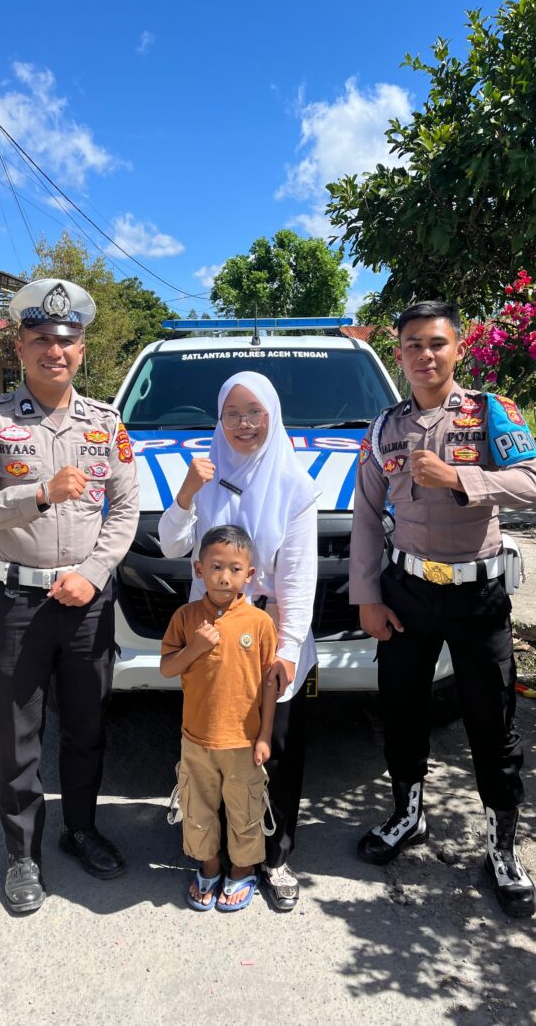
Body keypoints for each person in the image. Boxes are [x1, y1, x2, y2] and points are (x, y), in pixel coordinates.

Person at [349, 300, 536, 918]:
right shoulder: (383, 429)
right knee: (402, 709)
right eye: (413, 344)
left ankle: (502, 847)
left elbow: (534, 484)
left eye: (436, 343)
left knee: (492, 720)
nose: (425, 355)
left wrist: (461, 478)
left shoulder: (491, 412)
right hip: (407, 592)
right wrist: (367, 596)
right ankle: (407, 817)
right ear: (399, 353)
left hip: (476, 595)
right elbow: (365, 517)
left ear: (458, 348)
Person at [0, 278, 139, 914]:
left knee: (87, 726)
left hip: (85, 601)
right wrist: (39, 494)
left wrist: (94, 571)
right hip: (15, 603)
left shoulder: (106, 424)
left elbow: (125, 508)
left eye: (65, 340)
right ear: (20, 347)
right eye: (40, 339)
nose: (53, 351)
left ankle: (80, 830)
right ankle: (22, 855)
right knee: (16, 734)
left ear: (81, 349)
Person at [158, 371, 318, 911]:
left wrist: (288, 650)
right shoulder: (205, 472)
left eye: (255, 413)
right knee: (214, 743)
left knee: (274, 748)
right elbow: (172, 545)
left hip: (268, 631)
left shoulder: (294, 485)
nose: (244, 424)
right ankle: (216, 853)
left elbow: (298, 577)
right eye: (233, 413)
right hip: (209, 638)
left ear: (273, 416)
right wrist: (186, 495)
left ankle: (274, 856)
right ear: (219, 419)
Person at [161, 525, 278, 911]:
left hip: (243, 742)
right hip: (196, 739)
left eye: (234, 568)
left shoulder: (259, 623)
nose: (224, 577)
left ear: (250, 574)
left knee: (245, 810)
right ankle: (209, 866)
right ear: (199, 570)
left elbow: (269, 685)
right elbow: (167, 668)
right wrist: (195, 646)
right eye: (215, 567)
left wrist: (265, 735)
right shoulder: (186, 617)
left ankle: (242, 870)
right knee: (197, 809)